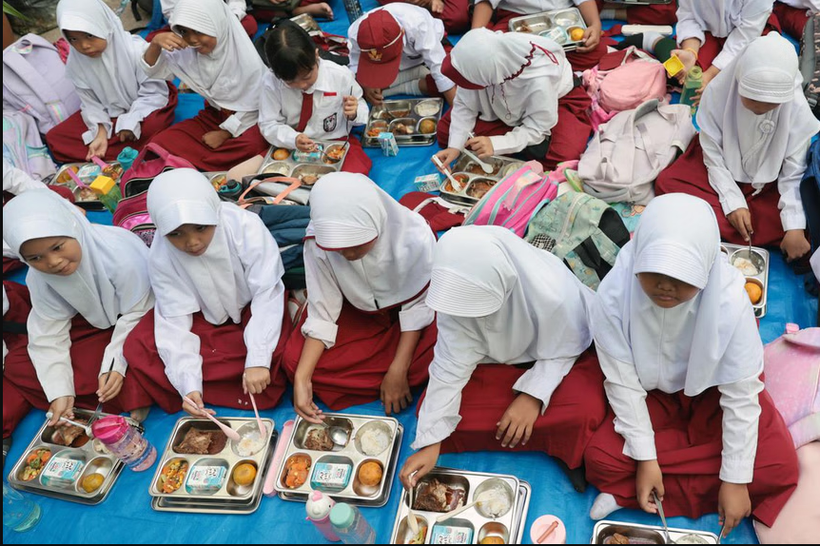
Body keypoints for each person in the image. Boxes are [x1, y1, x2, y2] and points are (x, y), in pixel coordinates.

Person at [585, 194, 799, 539]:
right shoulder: (614, 293)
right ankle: (665, 481)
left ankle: (636, 491)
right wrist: (645, 458)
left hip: (711, 394)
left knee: (780, 464)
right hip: (649, 393)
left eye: (683, 276)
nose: (666, 286)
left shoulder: (730, 300)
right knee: (600, 459)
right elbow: (623, 383)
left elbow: (741, 396)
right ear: (638, 256)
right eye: (654, 271)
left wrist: (735, 477)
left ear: (707, 268)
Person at [399, 226, 606, 491]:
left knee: (583, 410)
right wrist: (432, 442)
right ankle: (547, 439)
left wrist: (533, 396)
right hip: (492, 363)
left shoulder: (553, 293)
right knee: (433, 415)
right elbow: (449, 367)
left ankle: (561, 448)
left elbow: (568, 345)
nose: (472, 317)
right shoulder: (454, 295)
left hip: (554, 361)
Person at [124, 169, 289, 415]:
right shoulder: (161, 254)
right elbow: (174, 318)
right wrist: (188, 384)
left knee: (284, 355)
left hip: (254, 307)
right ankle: (200, 391)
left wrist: (257, 359)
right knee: (139, 347)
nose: (192, 243)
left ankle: (241, 371)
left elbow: (267, 292)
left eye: (201, 227)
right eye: (176, 234)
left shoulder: (244, 227)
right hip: (202, 319)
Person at [284, 173, 437, 418]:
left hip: (410, 322)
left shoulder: (413, 235)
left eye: (357, 243)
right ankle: (380, 377)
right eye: (339, 248)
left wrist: (399, 368)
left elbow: (419, 305)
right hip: (356, 314)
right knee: (294, 364)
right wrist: (302, 379)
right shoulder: (318, 241)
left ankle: (391, 374)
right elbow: (324, 310)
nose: (348, 254)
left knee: (433, 355)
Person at [2, 190, 154, 436]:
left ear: (73, 228)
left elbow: (141, 310)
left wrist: (115, 363)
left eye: (57, 247)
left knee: (152, 350)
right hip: (93, 326)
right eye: (36, 258)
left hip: (142, 318)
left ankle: (134, 391)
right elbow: (48, 331)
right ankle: (126, 393)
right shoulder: (40, 278)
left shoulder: (119, 256)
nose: (52, 262)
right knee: (18, 365)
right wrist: (60, 391)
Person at [656, 34, 819, 262]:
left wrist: (794, 226)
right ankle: (734, 225)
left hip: (769, 183)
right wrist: (732, 202)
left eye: (772, 104)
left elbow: (793, 172)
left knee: (801, 225)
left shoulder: (796, 108)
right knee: (669, 183)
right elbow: (712, 154)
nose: (760, 109)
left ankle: (709, 225)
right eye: (751, 100)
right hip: (720, 169)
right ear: (738, 81)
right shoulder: (719, 91)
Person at [434, 28, 592, 172]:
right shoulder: (483, 65)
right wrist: (455, 147)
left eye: (470, 82)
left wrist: (496, 144)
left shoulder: (539, 80)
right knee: (445, 132)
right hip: (505, 107)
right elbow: (464, 104)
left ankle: (512, 143)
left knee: (563, 155)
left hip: (554, 103)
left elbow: (538, 127)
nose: (466, 86)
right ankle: (516, 144)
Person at [142, 0, 269, 171]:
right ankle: (203, 164)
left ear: (217, 25)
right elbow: (153, 70)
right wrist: (155, 44)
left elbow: (257, 107)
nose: (192, 40)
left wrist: (226, 133)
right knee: (162, 141)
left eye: (199, 31)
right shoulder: (189, 51)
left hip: (247, 119)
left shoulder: (247, 62)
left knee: (253, 145)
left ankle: (195, 164)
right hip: (214, 116)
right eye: (185, 32)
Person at [46, 0, 176, 164]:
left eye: (89, 35)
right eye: (73, 39)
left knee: (153, 125)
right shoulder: (76, 62)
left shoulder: (135, 49)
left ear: (104, 25)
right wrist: (99, 130)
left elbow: (154, 93)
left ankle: (120, 153)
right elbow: (89, 103)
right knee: (55, 138)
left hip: (145, 107)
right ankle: (130, 153)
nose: (84, 45)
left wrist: (130, 121)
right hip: (110, 116)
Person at [258, 22, 372, 175]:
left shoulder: (340, 76)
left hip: (333, 143)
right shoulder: (271, 82)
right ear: (275, 73)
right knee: (272, 180)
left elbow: (360, 104)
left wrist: (354, 112)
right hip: (292, 145)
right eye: (291, 82)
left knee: (352, 177)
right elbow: (269, 123)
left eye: (307, 77)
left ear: (316, 56)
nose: (302, 85)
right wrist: (294, 139)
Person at [348, 4, 457, 106]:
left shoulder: (418, 25)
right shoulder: (357, 33)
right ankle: (417, 73)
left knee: (456, 79)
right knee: (358, 87)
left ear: (403, 32)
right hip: (397, 67)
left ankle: (406, 84)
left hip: (431, 50)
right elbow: (355, 65)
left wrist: (457, 112)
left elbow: (442, 72)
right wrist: (367, 86)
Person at [472, 0, 607, 71]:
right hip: (518, 17)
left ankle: (539, 68)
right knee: (497, 55)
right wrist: (475, 37)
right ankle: (553, 68)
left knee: (597, 51)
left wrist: (595, 24)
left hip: (561, 18)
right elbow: (486, 1)